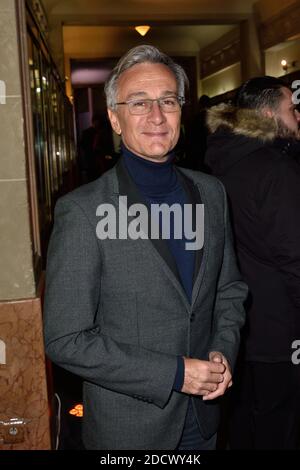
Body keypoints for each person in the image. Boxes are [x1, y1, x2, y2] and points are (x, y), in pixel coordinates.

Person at [43, 45, 247, 451]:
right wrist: (174, 374)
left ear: (180, 112)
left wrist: (223, 353)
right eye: (139, 103)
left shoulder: (211, 193)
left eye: (167, 101)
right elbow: (65, 339)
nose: (156, 116)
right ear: (115, 119)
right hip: (131, 429)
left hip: (204, 422)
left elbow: (230, 291)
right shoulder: (83, 211)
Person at [205, 76, 300, 449]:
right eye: (291, 110)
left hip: (243, 323)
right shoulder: (276, 171)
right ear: (266, 114)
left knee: (248, 421)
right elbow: (296, 258)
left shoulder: (226, 157)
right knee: (283, 427)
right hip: (283, 327)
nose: (297, 117)